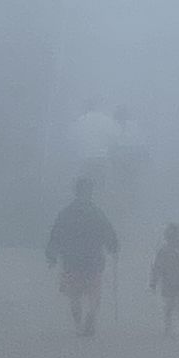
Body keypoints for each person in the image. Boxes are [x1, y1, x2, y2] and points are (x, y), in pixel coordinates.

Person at [46, 176, 119, 336]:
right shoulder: (96, 212)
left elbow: (56, 234)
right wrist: (113, 246)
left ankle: (79, 325)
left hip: (71, 260)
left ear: (76, 191)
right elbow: (108, 232)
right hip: (93, 260)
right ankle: (91, 314)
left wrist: (51, 254)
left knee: (74, 295)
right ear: (90, 192)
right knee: (94, 292)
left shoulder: (66, 213)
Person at [149, 223, 179, 337]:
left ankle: (172, 329)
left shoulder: (166, 251)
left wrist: (153, 282)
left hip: (172, 285)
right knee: (176, 308)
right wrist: (153, 282)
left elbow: (157, 268)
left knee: (172, 308)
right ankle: (178, 330)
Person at [69, 101, 119, 191]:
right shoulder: (106, 120)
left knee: (84, 185)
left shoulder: (81, 120)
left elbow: (72, 138)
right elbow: (115, 138)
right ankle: (99, 201)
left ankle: (85, 203)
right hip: (101, 158)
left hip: (84, 158)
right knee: (99, 186)